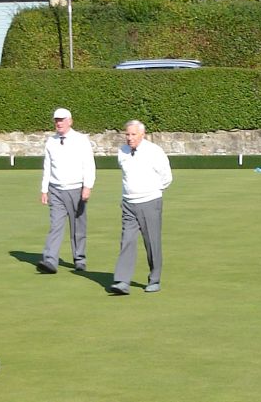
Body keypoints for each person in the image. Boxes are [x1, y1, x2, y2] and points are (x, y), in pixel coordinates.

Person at [109, 120, 172, 295]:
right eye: (127, 134)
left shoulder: (154, 151)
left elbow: (166, 177)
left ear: (142, 135)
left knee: (152, 242)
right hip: (128, 204)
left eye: (133, 134)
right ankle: (122, 280)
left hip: (150, 202)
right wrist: (125, 197)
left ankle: (154, 279)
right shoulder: (122, 152)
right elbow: (126, 178)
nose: (129, 138)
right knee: (127, 241)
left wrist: (151, 192)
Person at [37, 108, 96, 273]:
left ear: (70, 121)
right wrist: (44, 189)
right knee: (55, 225)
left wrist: (87, 186)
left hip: (76, 189)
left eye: (62, 120)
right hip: (55, 189)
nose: (59, 123)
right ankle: (50, 260)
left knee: (78, 226)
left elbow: (89, 164)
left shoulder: (81, 140)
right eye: (56, 120)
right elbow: (47, 166)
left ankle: (79, 259)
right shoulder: (51, 141)